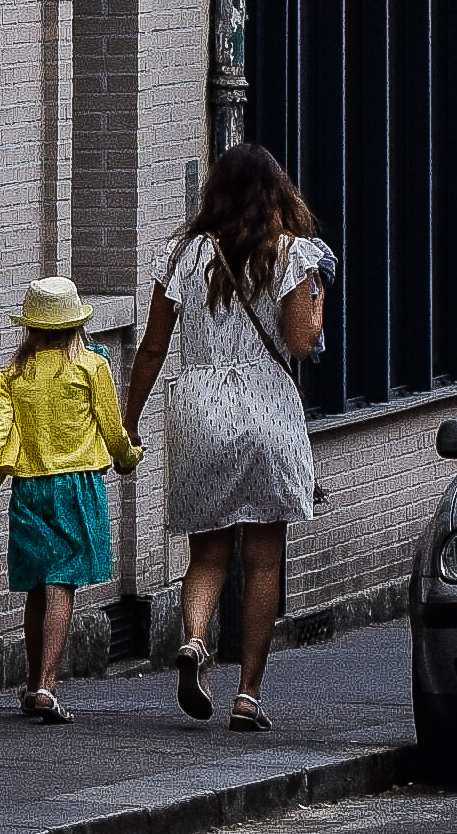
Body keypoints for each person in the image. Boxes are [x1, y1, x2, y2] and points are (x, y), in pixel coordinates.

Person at [119, 142, 329, 730]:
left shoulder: (184, 253)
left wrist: (129, 419)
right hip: (266, 406)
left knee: (207, 552)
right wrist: (316, 302)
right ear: (277, 194)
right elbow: (300, 341)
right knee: (264, 559)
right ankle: (248, 694)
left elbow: (154, 346)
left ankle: (192, 639)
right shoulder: (293, 255)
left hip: (201, 408)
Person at [0, 276, 136, 718]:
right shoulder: (92, 367)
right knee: (62, 583)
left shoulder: (15, 375)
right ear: (76, 323)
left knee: (37, 588)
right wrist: (127, 456)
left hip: (29, 489)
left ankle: (29, 681)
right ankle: (47, 686)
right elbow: (111, 426)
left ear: (32, 327)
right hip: (76, 486)